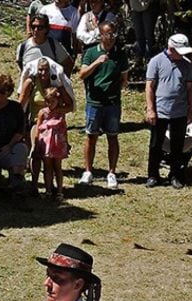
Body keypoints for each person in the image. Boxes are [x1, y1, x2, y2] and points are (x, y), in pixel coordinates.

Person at [78, 21, 128, 189]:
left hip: (113, 103)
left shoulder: (120, 54)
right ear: (100, 35)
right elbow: (82, 74)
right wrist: (97, 62)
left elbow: (124, 79)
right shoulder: (91, 52)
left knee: (112, 136)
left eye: (114, 34)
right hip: (94, 102)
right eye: (108, 34)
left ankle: (112, 173)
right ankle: (88, 171)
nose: (111, 38)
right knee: (91, 136)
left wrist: (114, 91)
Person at [145, 34, 192, 189]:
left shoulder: (186, 65)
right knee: (156, 144)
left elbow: (189, 89)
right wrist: (151, 109)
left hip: (179, 111)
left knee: (177, 146)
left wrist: (190, 111)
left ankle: (175, 175)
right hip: (160, 111)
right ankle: (153, 175)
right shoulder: (156, 61)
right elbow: (149, 87)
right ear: (171, 48)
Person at [35, 87, 72, 201]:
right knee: (47, 167)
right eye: (47, 101)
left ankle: (59, 191)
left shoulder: (60, 112)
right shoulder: (43, 112)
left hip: (58, 144)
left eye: (52, 101)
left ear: (57, 100)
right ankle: (48, 190)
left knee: (58, 167)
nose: (50, 104)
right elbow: (38, 128)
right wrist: (36, 143)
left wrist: (66, 142)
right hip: (46, 144)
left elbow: (64, 128)